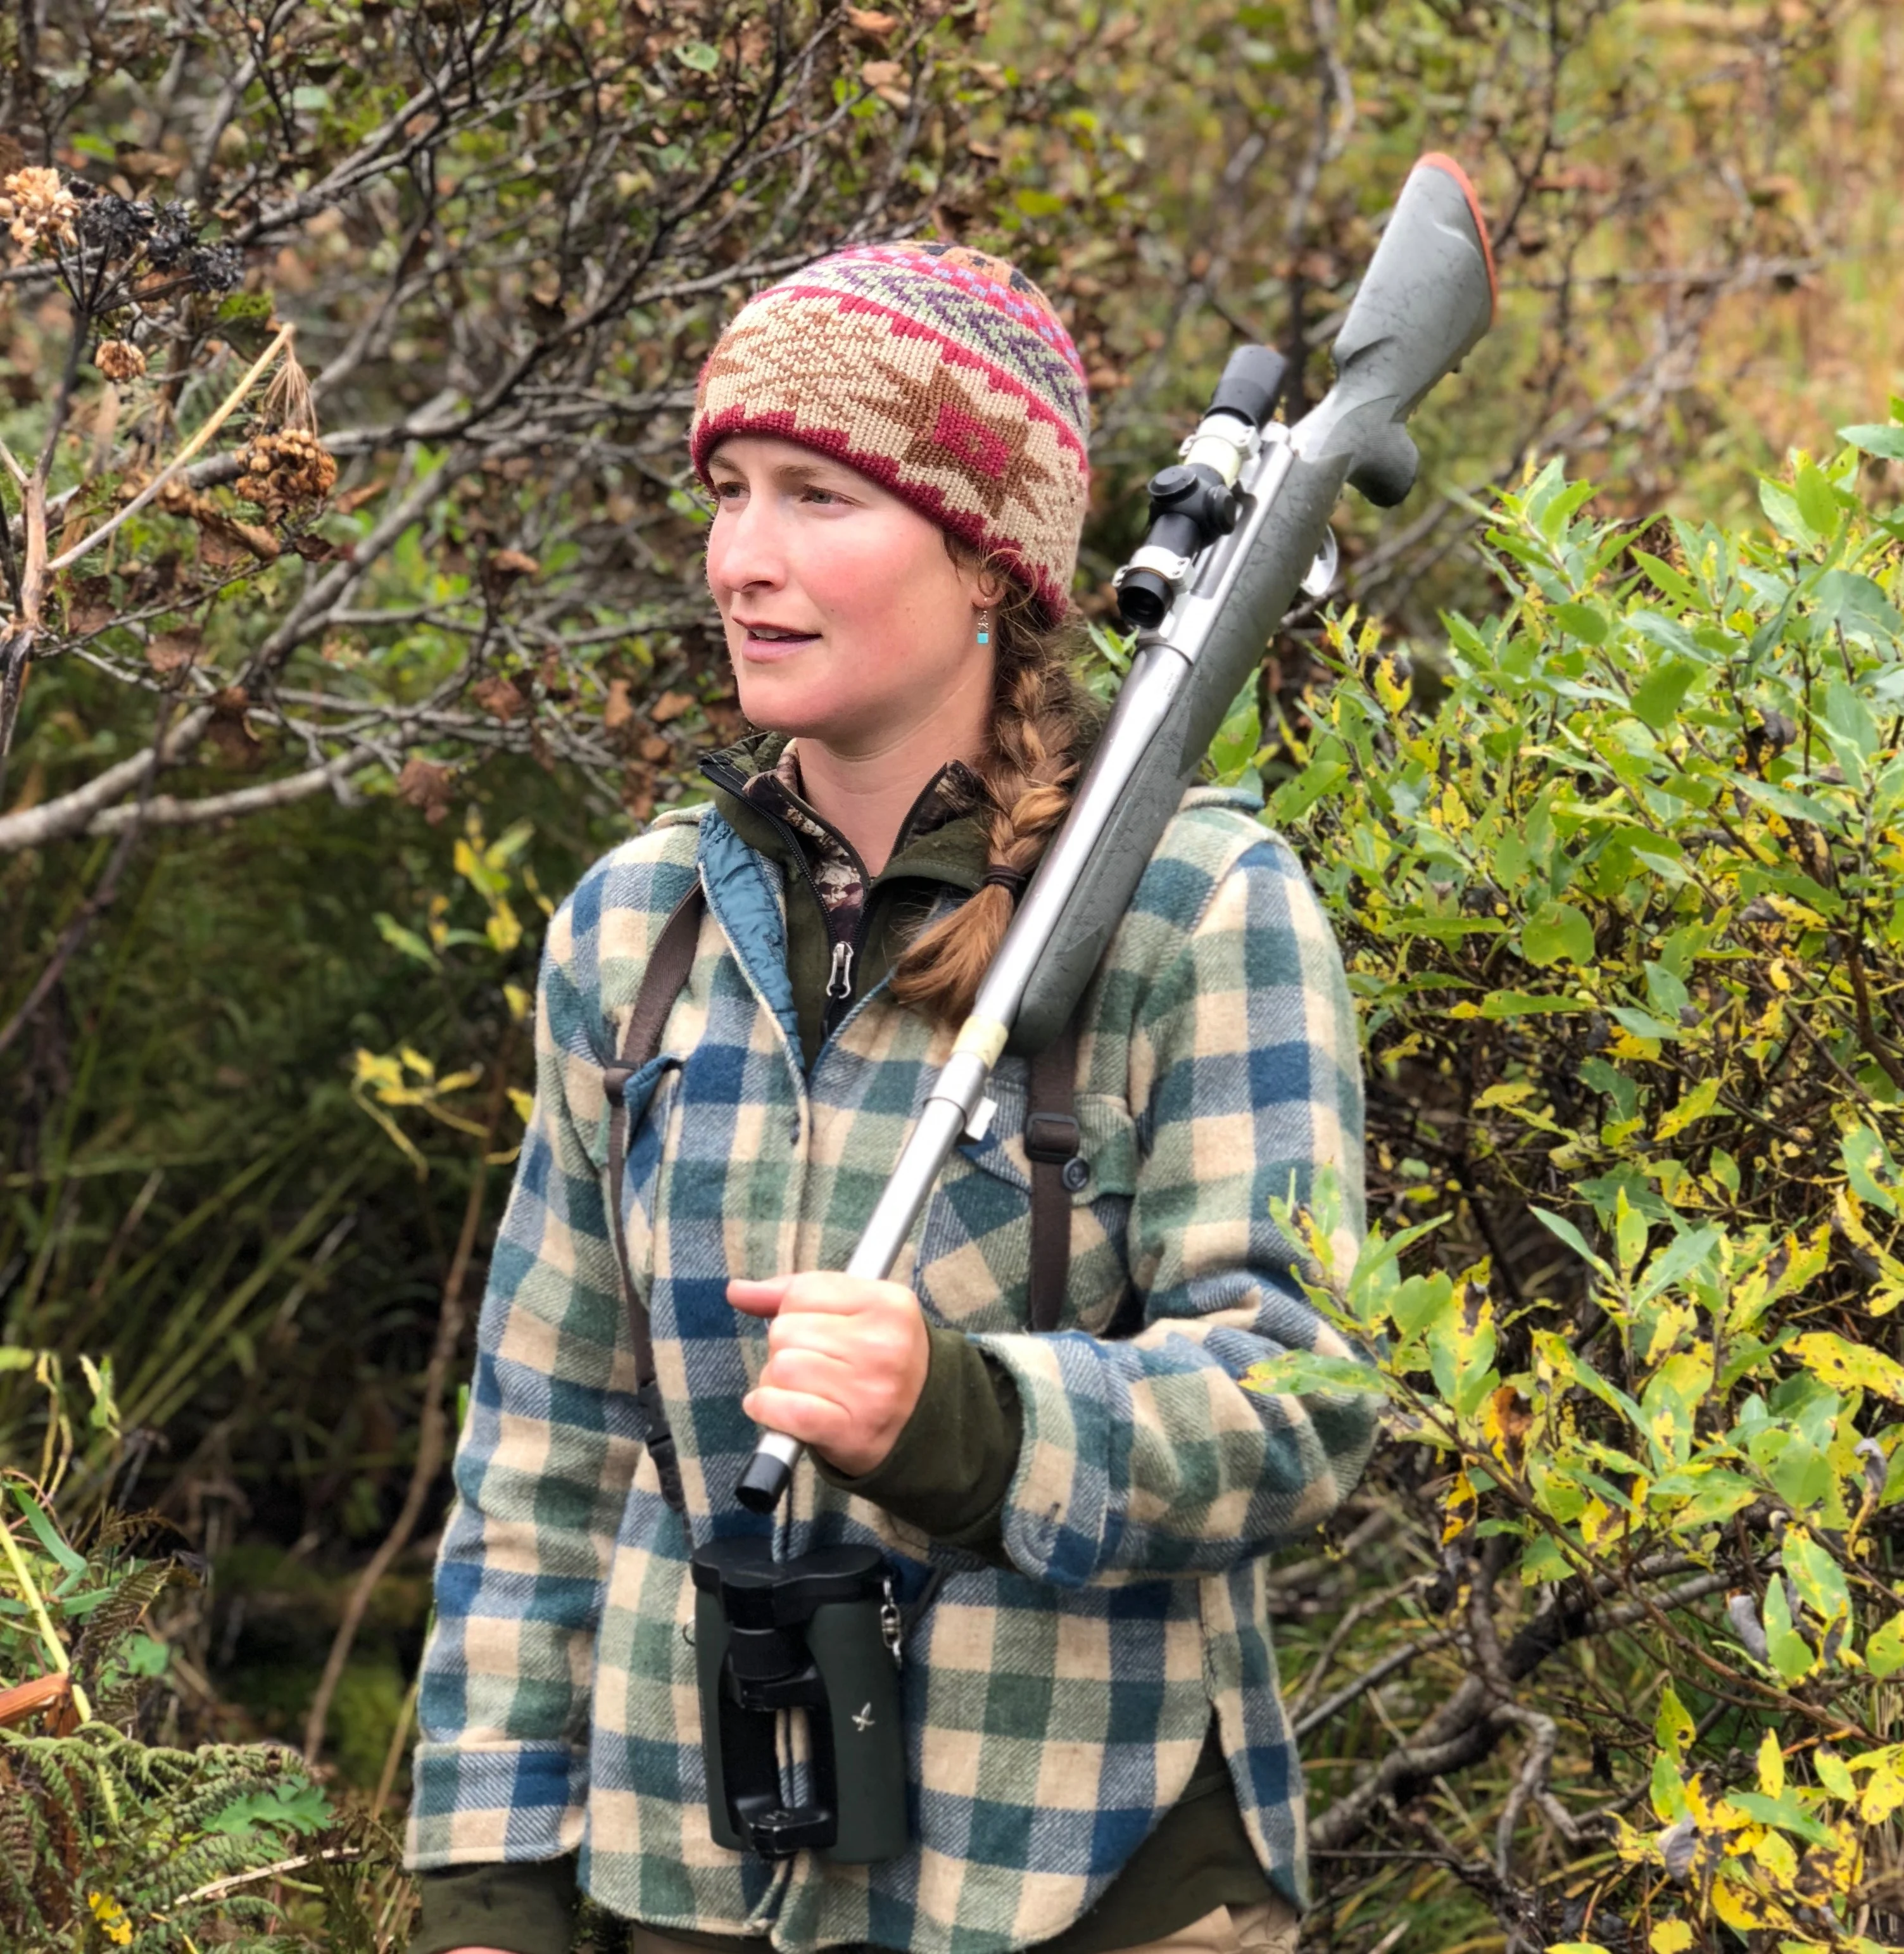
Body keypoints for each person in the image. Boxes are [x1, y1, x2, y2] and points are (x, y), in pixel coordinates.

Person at [405, 242, 1375, 1954]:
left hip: (1080, 1866)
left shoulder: (1193, 906)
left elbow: (1290, 1397)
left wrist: (968, 1419)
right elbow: (541, 1455)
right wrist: (488, 1881)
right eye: (726, 490)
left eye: (818, 497)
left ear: (985, 560)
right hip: (677, 1871)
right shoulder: (637, 928)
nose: (742, 560)